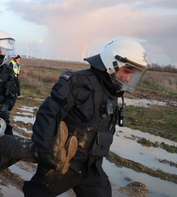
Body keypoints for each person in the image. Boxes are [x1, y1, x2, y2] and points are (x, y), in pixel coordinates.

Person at [23, 38, 148, 197]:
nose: (128, 79)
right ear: (112, 64)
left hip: (92, 169)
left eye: (132, 75)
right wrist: (44, 151)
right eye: (126, 72)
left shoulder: (112, 91)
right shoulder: (77, 82)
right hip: (64, 164)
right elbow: (47, 115)